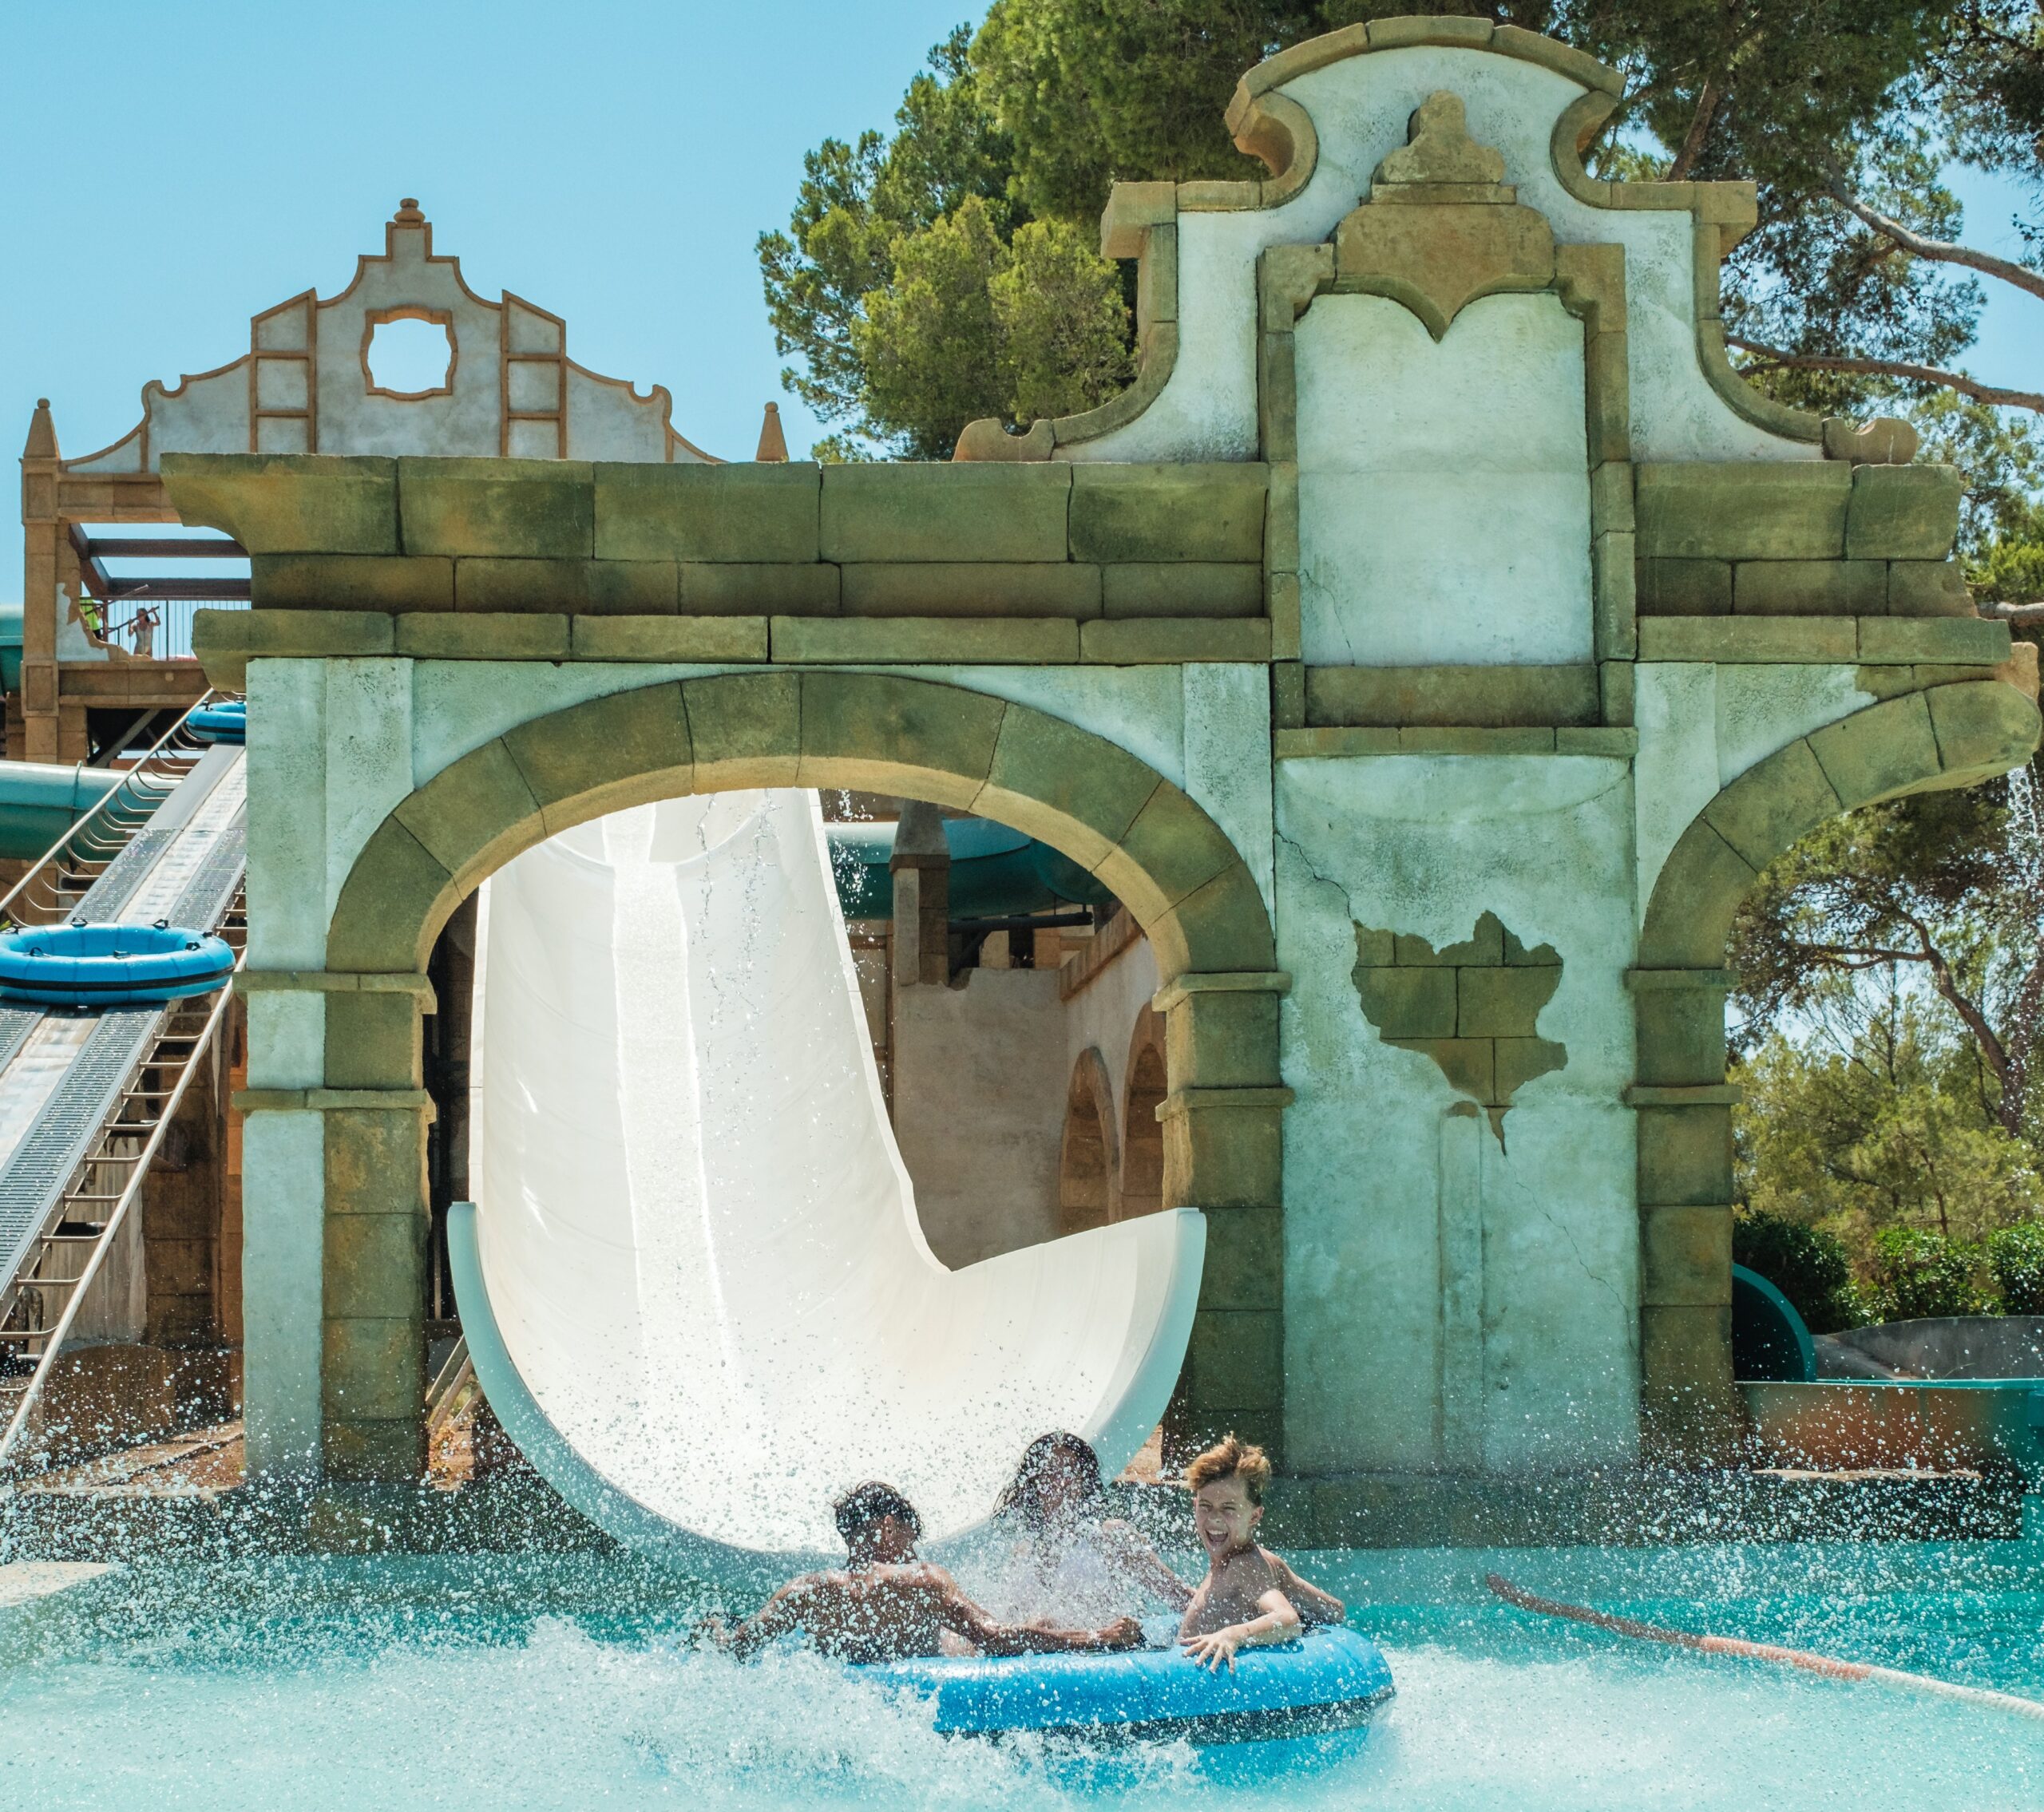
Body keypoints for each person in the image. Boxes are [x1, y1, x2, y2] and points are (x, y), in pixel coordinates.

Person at [705, 1479, 1146, 1664]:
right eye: (910, 1537)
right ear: (889, 1526)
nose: (913, 1549)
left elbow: (738, 1648)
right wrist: (1097, 1638)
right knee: (1043, 1625)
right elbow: (995, 1638)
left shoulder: (806, 1590)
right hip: (933, 1697)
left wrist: (713, 1636)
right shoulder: (920, 1579)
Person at [983, 1431, 1192, 1627]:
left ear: (1084, 1482)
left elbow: (1180, 1596)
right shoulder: (1023, 1553)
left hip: (1102, 1658)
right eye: (1050, 1473)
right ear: (1035, 1484)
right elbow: (1007, 1625)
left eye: (1069, 1472)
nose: (1060, 1482)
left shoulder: (1109, 1537)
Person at [1177, 1434, 1345, 1672]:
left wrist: (1232, 1635)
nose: (1214, 1518)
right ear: (1195, 1505)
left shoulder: (1244, 1565)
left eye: (1228, 1508)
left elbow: (1288, 1619)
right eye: (1205, 1506)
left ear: (1255, 1516)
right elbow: (1334, 1611)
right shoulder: (1251, 1561)